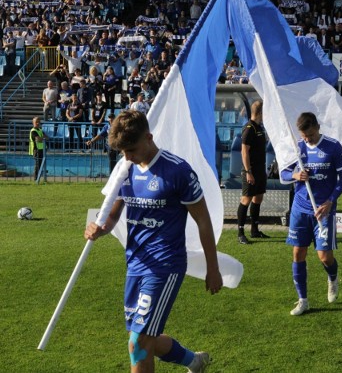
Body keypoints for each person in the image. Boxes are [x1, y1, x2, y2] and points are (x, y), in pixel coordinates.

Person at [84, 110, 221, 373]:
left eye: (131, 150)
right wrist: (100, 229)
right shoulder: (126, 169)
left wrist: (212, 268)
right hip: (135, 263)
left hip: (165, 266)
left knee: (139, 343)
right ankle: (194, 361)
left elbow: (204, 221)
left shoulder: (178, 171)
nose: (127, 157)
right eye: (123, 152)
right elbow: (113, 215)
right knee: (147, 338)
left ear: (149, 137)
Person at [280, 112, 342, 316]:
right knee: (298, 252)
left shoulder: (333, 146)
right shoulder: (297, 147)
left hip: (324, 209)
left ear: (317, 127)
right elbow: (282, 173)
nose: (307, 139)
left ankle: (333, 277)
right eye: (304, 136)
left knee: (324, 256)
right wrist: (295, 174)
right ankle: (303, 300)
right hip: (300, 209)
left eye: (310, 135)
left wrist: (330, 201)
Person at [237, 100, 270, 244]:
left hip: (260, 169)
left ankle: (254, 230)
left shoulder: (259, 127)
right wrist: (248, 171)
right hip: (250, 170)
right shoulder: (249, 128)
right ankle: (240, 232)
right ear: (261, 112)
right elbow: (244, 151)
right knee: (246, 199)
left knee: (258, 198)